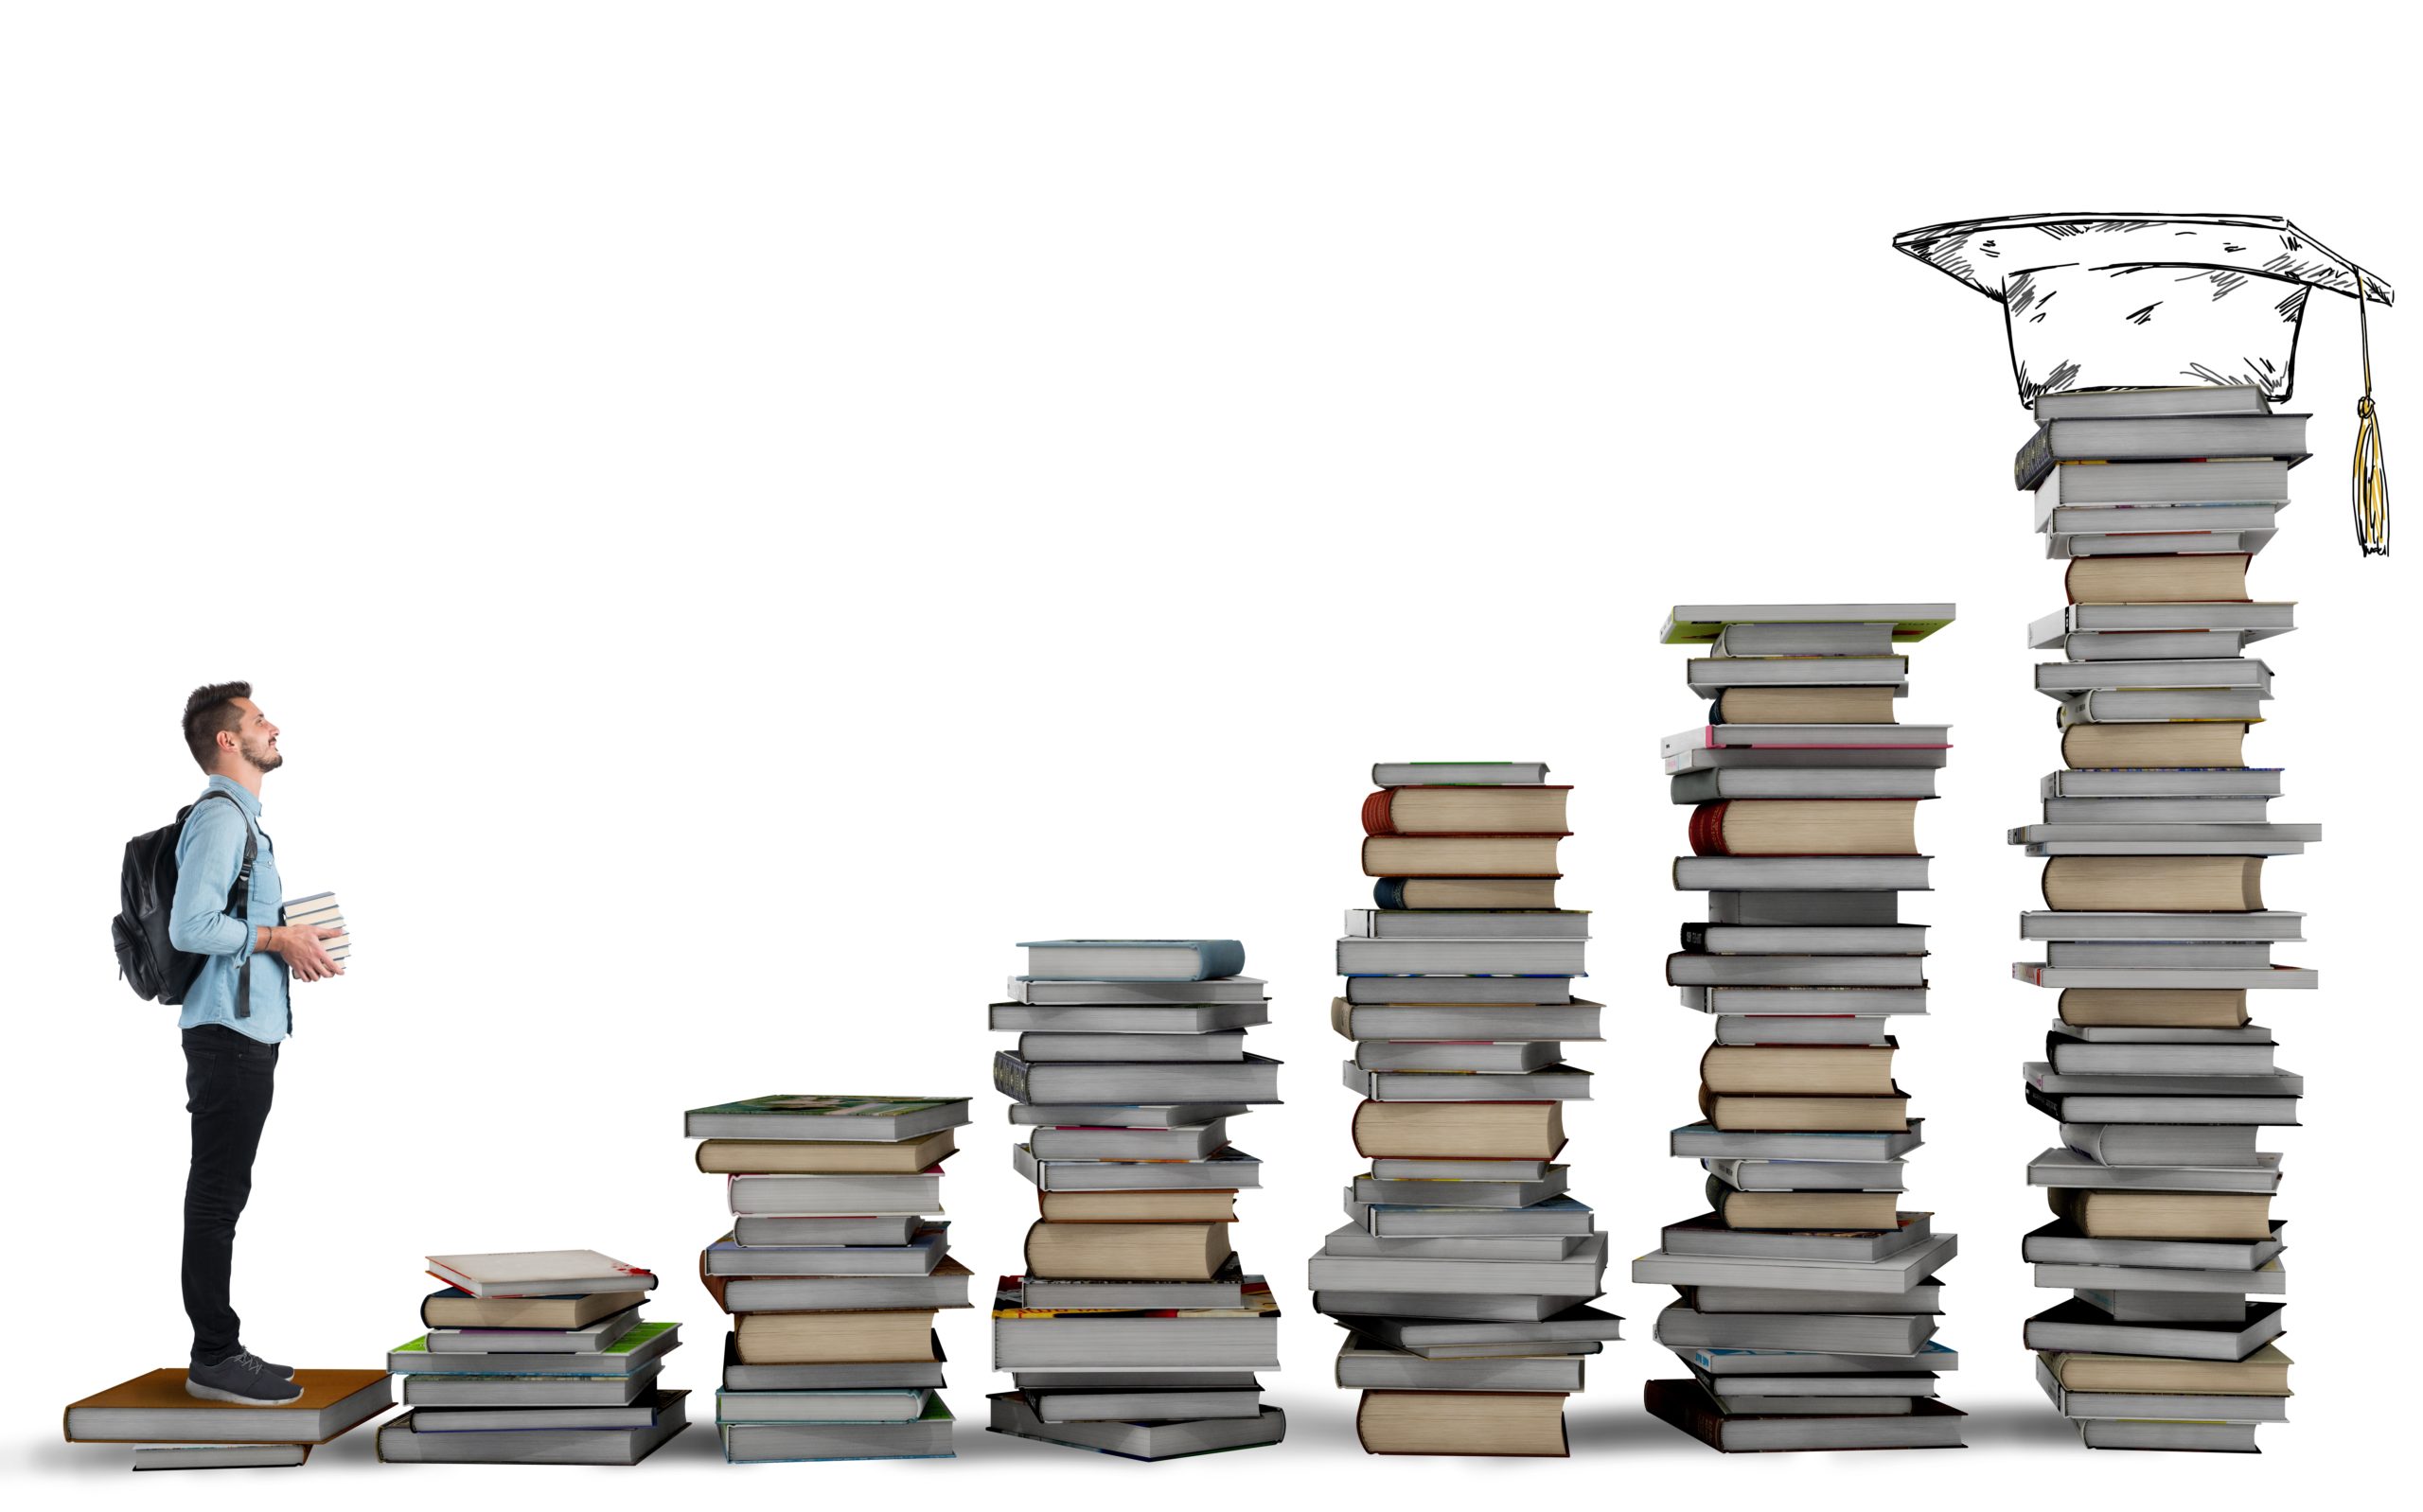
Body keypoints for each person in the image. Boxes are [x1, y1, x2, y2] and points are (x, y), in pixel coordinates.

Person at [168, 683, 344, 1404]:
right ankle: (214, 1353)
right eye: (258, 719)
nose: (275, 726)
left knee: (223, 1194)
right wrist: (278, 937)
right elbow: (190, 927)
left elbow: (227, 921)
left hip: (246, 1033)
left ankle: (220, 1348)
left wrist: (294, 937)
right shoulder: (220, 820)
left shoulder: (243, 821)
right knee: (215, 1197)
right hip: (228, 1036)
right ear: (228, 742)